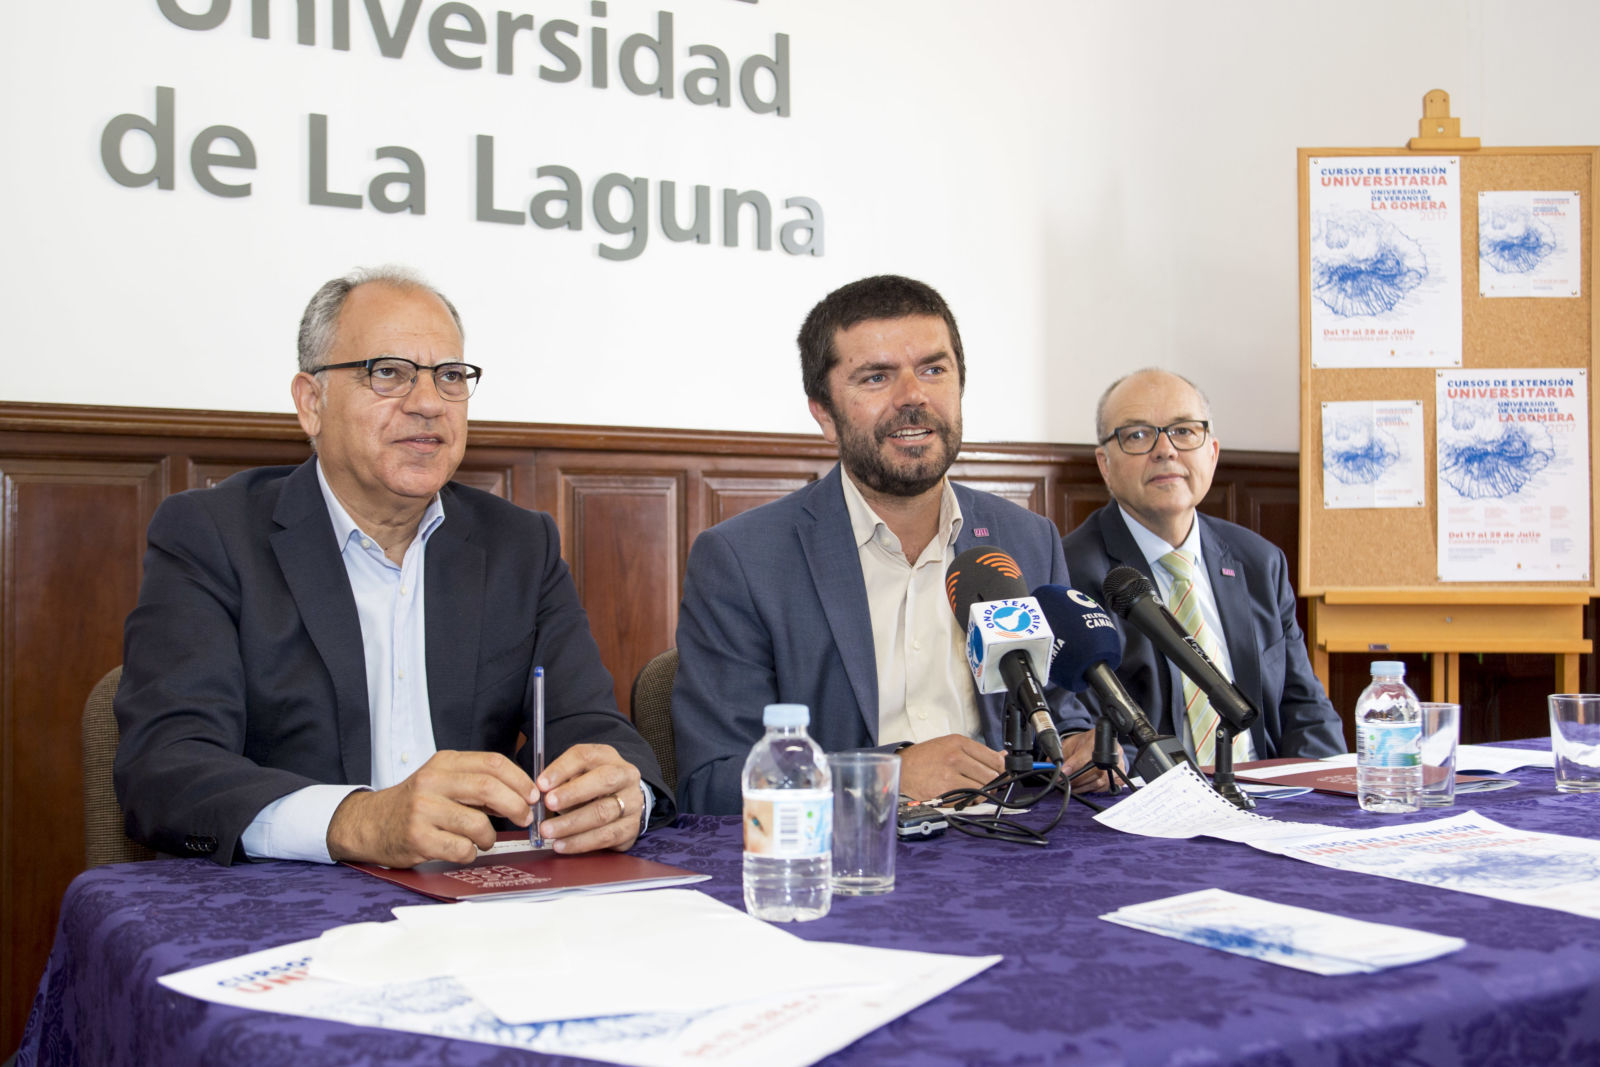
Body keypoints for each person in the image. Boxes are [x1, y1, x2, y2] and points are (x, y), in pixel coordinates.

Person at [114, 267, 671, 867]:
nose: (429, 403)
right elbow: (166, 766)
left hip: (476, 897)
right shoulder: (213, 536)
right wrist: (356, 819)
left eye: (450, 376)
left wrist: (623, 793)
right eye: (388, 373)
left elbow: (589, 724)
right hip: (293, 901)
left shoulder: (518, 545)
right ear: (311, 403)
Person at [671, 274, 1103, 815]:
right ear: (825, 415)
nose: (913, 397)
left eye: (933, 369)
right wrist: (886, 774)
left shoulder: (1025, 538)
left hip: (1009, 846)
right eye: (876, 377)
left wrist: (1083, 749)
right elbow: (712, 780)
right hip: (851, 861)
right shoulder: (743, 560)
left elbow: (1061, 714)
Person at [1062, 368, 1345, 762]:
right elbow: (1085, 734)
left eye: (1184, 431)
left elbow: (1306, 710)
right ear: (1104, 464)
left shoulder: (1259, 562)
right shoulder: (1069, 574)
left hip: (1266, 799)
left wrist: (1323, 802)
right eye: (1138, 435)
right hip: (1154, 808)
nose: (1166, 451)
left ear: (1212, 453)